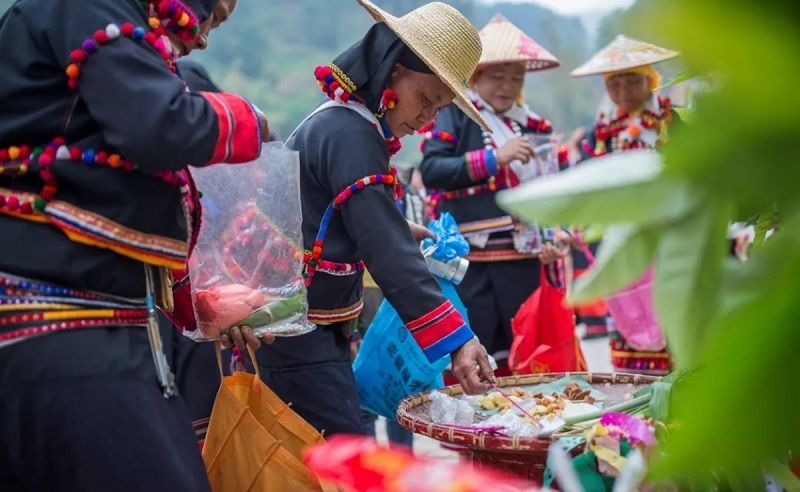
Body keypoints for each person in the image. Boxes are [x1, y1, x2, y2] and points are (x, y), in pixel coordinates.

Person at [0, 0, 269, 489]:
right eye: (210, 15)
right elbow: (159, 123)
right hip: (61, 340)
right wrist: (249, 119)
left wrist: (197, 308)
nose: (204, 38)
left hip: (95, 339)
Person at [256, 0, 496, 437]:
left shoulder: (342, 126)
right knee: (345, 459)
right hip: (299, 337)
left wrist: (392, 225)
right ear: (392, 68)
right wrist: (458, 341)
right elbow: (386, 251)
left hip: (304, 328)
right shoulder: (352, 134)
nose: (426, 119)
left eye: (437, 108)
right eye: (425, 99)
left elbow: (330, 216)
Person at [418, 14, 570, 376]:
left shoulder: (534, 126)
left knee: (528, 356)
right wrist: (493, 158)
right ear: (476, 76)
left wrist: (553, 236)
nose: (508, 86)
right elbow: (432, 170)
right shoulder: (454, 114)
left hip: (524, 261)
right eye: (498, 76)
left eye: (516, 77)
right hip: (473, 264)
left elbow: (550, 188)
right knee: (480, 358)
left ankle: (526, 432)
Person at [569, 34, 683, 375]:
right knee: (627, 310)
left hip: (669, 237)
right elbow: (585, 180)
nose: (622, 88)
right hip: (621, 241)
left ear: (649, 80)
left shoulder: (672, 123)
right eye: (614, 81)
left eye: (632, 79)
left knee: (673, 317)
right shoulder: (601, 133)